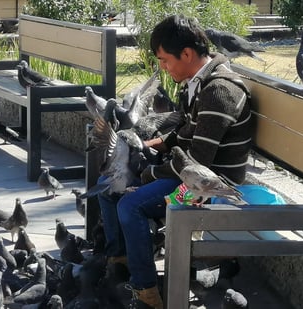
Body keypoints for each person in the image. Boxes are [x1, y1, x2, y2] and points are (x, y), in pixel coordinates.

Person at [97, 14, 253, 309]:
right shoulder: (199, 82)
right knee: (109, 184)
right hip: (191, 171)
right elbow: (185, 134)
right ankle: (123, 263)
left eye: (165, 60)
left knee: (130, 205)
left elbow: (197, 162)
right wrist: (149, 145)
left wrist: (150, 172)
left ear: (187, 54)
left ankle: (147, 292)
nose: (163, 68)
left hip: (211, 186)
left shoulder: (219, 90)